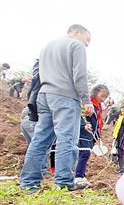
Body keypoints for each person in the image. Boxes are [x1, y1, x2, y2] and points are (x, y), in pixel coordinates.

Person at [19, 24, 93, 193]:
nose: (87, 44)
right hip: (65, 97)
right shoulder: (76, 45)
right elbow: (79, 75)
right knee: (66, 139)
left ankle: (29, 183)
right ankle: (64, 182)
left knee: (40, 140)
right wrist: (86, 100)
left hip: (44, 96)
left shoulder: (47, 46)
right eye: (87, 39)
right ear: (76, 32)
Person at [75, 84, 109, 186]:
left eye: (105, 97)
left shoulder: (97, 107)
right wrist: (85, 124)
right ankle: (78, 176)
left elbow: (96, 122)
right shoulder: (88, 104)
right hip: (84, 133)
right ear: (95, 93)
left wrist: (98, 136)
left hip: (90, 134)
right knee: (84, 154)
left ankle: (81, 175)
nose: (103, 99)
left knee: (85, 154)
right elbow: (81, 116)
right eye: (102, 96)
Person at [113, 106, 124, 173]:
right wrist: (115, 137)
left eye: (123, 111)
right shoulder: (121, 117)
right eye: (121, 111)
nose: (122, 113)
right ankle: (121, 169)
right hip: (120, 138)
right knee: (120, 153)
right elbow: (117, 127)